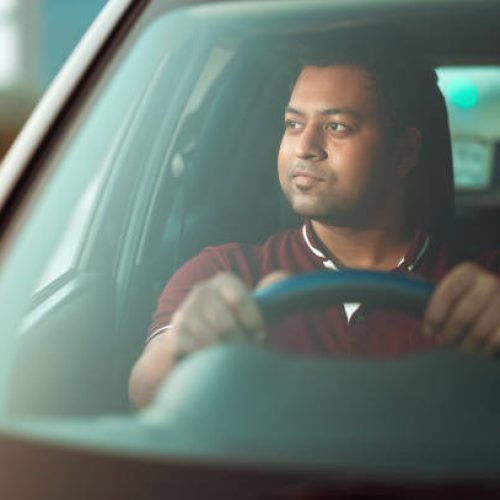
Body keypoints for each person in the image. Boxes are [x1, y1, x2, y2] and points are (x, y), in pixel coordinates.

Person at [129, 27, 500, 409]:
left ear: (404, 153)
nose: (305, 147)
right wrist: (187, 344)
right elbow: (147, 392)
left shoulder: (486, 290)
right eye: (293, 124)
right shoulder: (225, 275)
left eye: (337, 127)